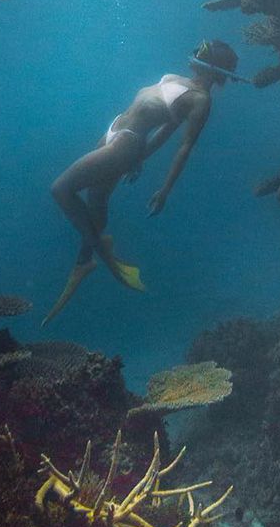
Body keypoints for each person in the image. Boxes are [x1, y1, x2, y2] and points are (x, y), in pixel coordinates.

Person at [43, 39, 247, 326]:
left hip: (124, 145)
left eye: (203, 53)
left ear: (214, 69)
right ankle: (84, 261)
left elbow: (184, 146)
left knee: (61, 188)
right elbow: (167, 128)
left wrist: (164, 190)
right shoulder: (176, 79)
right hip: (115, 134)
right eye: (198, 49)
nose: (195, 54)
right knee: (95, 200)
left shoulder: (201, 100)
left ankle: (100, 251)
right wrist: (142, 158)